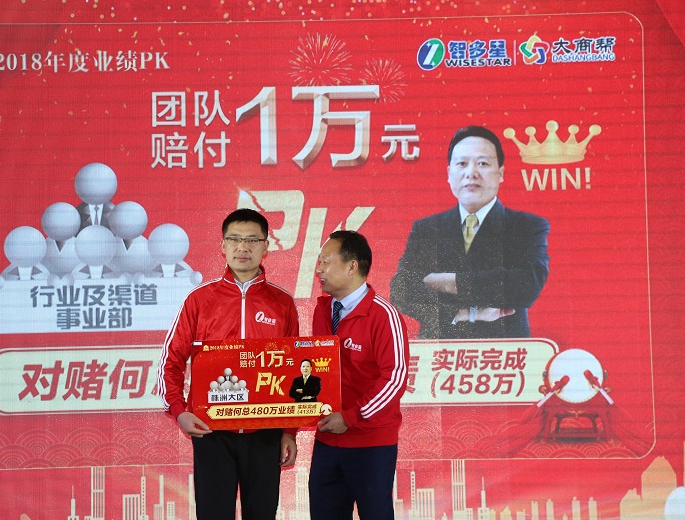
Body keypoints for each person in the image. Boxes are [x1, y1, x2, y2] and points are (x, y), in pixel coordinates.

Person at [156, 208, 300, 520]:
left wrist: (289, 431)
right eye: (234, 239)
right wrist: (179, 411)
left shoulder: (283, 303)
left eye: (252, 240)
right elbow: (171, 360)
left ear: (266, 246)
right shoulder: (199, 300)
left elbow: (292, 369)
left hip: (265, 430)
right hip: (211, 430)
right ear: (222, 245)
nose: (243, 247)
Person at [390, 125, 550, 339]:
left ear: (500, 173)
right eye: (462, 164)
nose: (471, 173)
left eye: (482, 163)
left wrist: (450, 281)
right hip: (440, 351)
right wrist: (466, 313)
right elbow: (401, 290)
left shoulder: (526, 226)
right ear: (449, 174)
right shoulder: (427, 228)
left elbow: (526, 285)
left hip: (503, 350)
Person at [309, 230, 409, 520]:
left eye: (326, 261)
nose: (318, 269)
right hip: (327, 439)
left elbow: (395, 378)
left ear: (352, 266)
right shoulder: (322, 310)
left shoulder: (383, 315)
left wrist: (351, 417)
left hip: (370, 443)